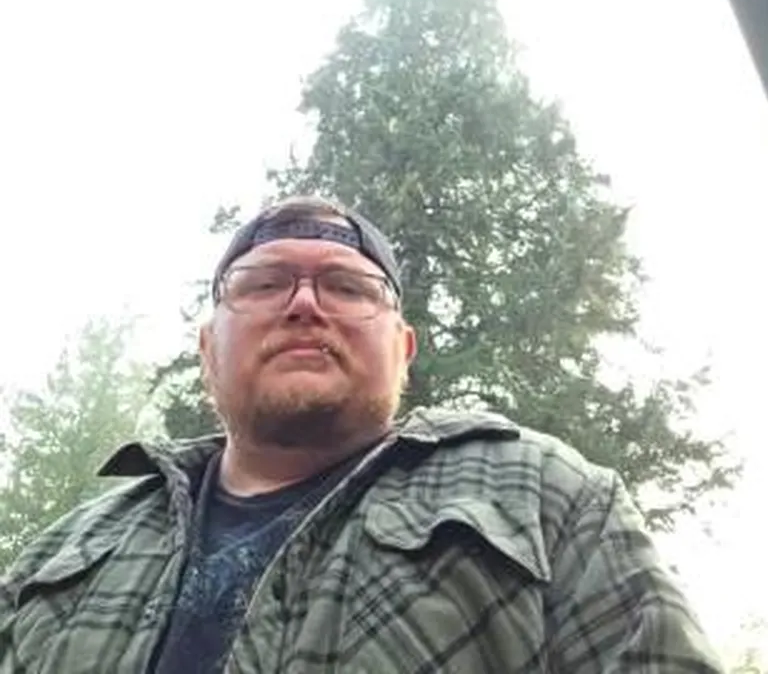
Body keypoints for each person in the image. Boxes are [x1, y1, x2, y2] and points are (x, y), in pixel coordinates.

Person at [0, 196, 723, 673]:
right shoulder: (56, 557)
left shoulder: (550, 497)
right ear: (207, 349)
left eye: (348, 287)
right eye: (264, 283)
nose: (304, 304)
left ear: (404, 352)